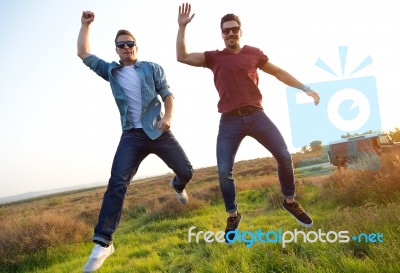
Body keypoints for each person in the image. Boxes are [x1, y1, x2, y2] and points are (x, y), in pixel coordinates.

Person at [176, 3, 320, 242]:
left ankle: (290, 201)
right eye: (226, 30)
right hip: (229, 121)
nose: (230, 33)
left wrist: (305, 88)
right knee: (224, 171)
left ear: (240, 31)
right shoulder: (213, 57)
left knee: (284, 156)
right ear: (221, 34)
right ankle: (233, 215)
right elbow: (181, 57)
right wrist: (182, 28)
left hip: (256, 115)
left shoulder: (253, 53)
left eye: (234, 29)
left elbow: (278, 72)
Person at [77, 11, 193, 272]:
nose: (126, 48)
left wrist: (170, 117)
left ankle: (177, 185)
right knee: (117, 182)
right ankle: (104, 242)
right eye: (121, 45)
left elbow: (167, 93)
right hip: (131, 135)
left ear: (136, 48)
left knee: (187, 171)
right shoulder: (111, 70)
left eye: (130, 44)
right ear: (116, 50)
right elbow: (83, 53)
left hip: (159, 131)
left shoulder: (151, 67)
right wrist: (86, 25)